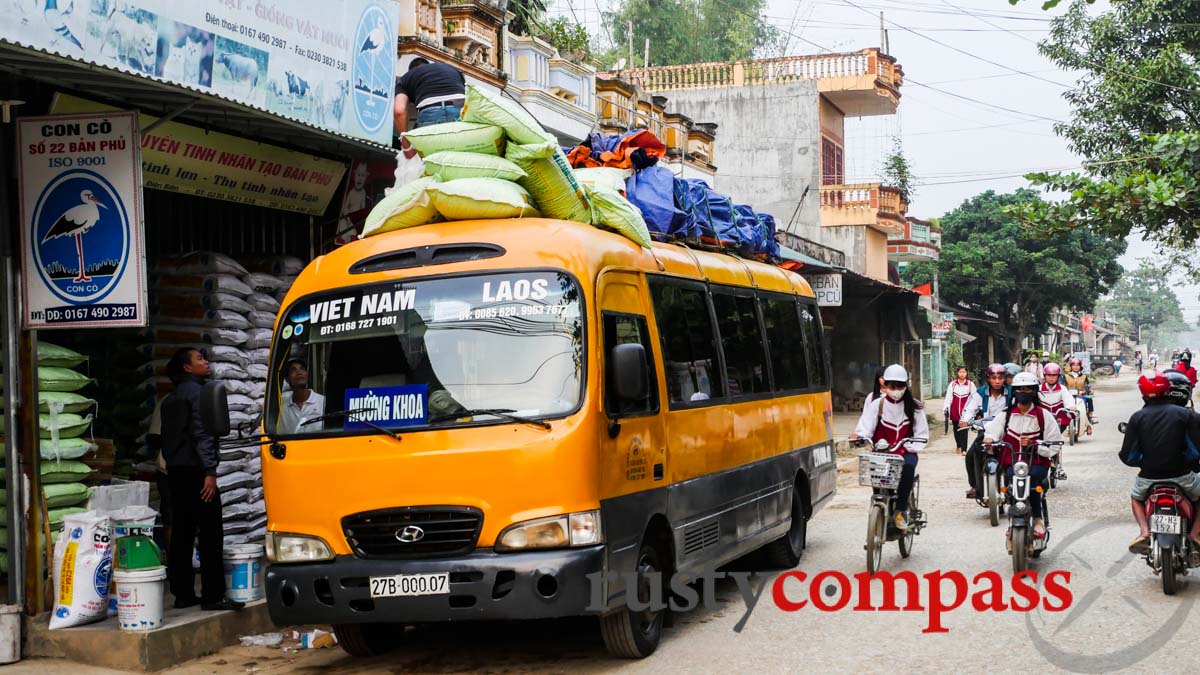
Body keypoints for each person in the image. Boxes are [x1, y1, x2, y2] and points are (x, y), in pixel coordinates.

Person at [160, 348, 244, 611]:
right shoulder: (199, 393)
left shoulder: (171, 398)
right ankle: (213, 595)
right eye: (200, 359)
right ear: (187, 367)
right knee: (210, 534)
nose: (206, 362)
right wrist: (210, 472)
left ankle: (183, 593)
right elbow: (202, 433)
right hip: (197, 471)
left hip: (176, 472)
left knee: (183, 533)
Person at [1120, 371, 1200, 554]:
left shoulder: (1137, 417)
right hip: (1183, 476)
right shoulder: (1186, 415)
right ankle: (1195, 534)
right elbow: (1195, 450)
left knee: (1136, 498)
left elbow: (1128, 456)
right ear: (1167, 390)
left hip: (1148, 478)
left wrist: (1145, 461)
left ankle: (1144, 531)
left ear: (1142, 393)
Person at [849, 364, 929, 530]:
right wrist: (859, 437)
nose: (896, 390)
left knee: (908, 467)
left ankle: (900, 510)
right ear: (885, 386)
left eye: (900, 386)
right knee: (876, 473)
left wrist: (910, 445)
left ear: (905, 386)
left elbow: (921, 434)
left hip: (905, 451)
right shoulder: (877, 405)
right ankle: (879, 503)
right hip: (881, 451)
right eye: (892, 386)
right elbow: (865, 427)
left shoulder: (915, 407)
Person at [984, 372, 1063, 538]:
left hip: (1037, 463)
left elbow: (1055, 443)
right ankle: (1014, 519)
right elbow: (992, 430)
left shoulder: (1043, 415)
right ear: (1014, 391)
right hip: (1012, 462)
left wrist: (1035, 445)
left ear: (1034, 392)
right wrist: (990, 439)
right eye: (1020, 389)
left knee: (1033, 483)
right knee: (1010, 484)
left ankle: (1037, 519)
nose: (1023, 392)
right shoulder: (1005, 415)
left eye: (1028, 389)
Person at [960, 363, 1009, 499]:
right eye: (993, 378)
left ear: (1005, 378)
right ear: (988, 378)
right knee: (971, 454)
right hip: (985, 431)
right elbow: (969, 409)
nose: (997, 381)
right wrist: (966, 420)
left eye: (1000, 377)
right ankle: (975, 485)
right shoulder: (981, 393)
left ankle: (1015, 484)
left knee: (1015, 453)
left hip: (1006, 432)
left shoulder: (1011, 393)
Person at [393, 58, 466, 134]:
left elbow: (399, 111)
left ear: (411, 70)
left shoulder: (406, 78)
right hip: (460, 109)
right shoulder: (452, 69)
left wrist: (405, 145)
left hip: (430, 112)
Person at [278, 358, 326, 434]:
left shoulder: (323, 403)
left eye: (302, 369)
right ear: (287, 379)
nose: (299, 372)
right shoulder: (282, 411)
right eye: (293, 370)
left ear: (307, 375)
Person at [943, 366, 975, 455]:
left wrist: (974, 410)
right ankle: (958, 445)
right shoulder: (953, 384)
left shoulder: (970, 385)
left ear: (966, 373)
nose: (962, 374)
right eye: (960, 372)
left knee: (964, 429)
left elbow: (975, 398)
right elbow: (948, 398)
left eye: (964, 372)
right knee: (956, 429)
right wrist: (946, 408)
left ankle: (964, 449)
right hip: (955, 411)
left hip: (966, 412)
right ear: (957, 373)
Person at [1063, 357, 1095, 434]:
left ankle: (1088, 423)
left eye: (1078, 365)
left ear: (1080, 366)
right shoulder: (1066, 376)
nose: (1076, 366)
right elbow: (1062, 386)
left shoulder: (1084, 376)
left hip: (1081, 397)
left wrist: (1088, 390)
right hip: (1069, 397)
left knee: (1087, 403)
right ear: (1070, 366)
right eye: (1073, 365)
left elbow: (1087, 385)